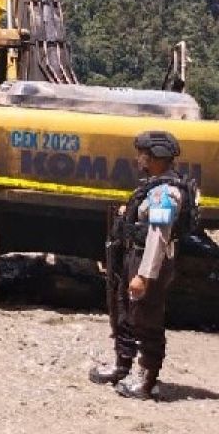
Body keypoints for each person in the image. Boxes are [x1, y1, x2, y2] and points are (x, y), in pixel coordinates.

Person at [89, 130, 199, 399]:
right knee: (124, 311)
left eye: (144, 154)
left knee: (146, 317)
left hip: (150, 259)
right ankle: (122, 365)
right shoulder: (153, 185)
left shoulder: (166, 193)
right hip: (133, 255)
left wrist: (144, 275)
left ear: (157, 157)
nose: (139, 158)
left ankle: (146, 379)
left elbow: (158, 236)